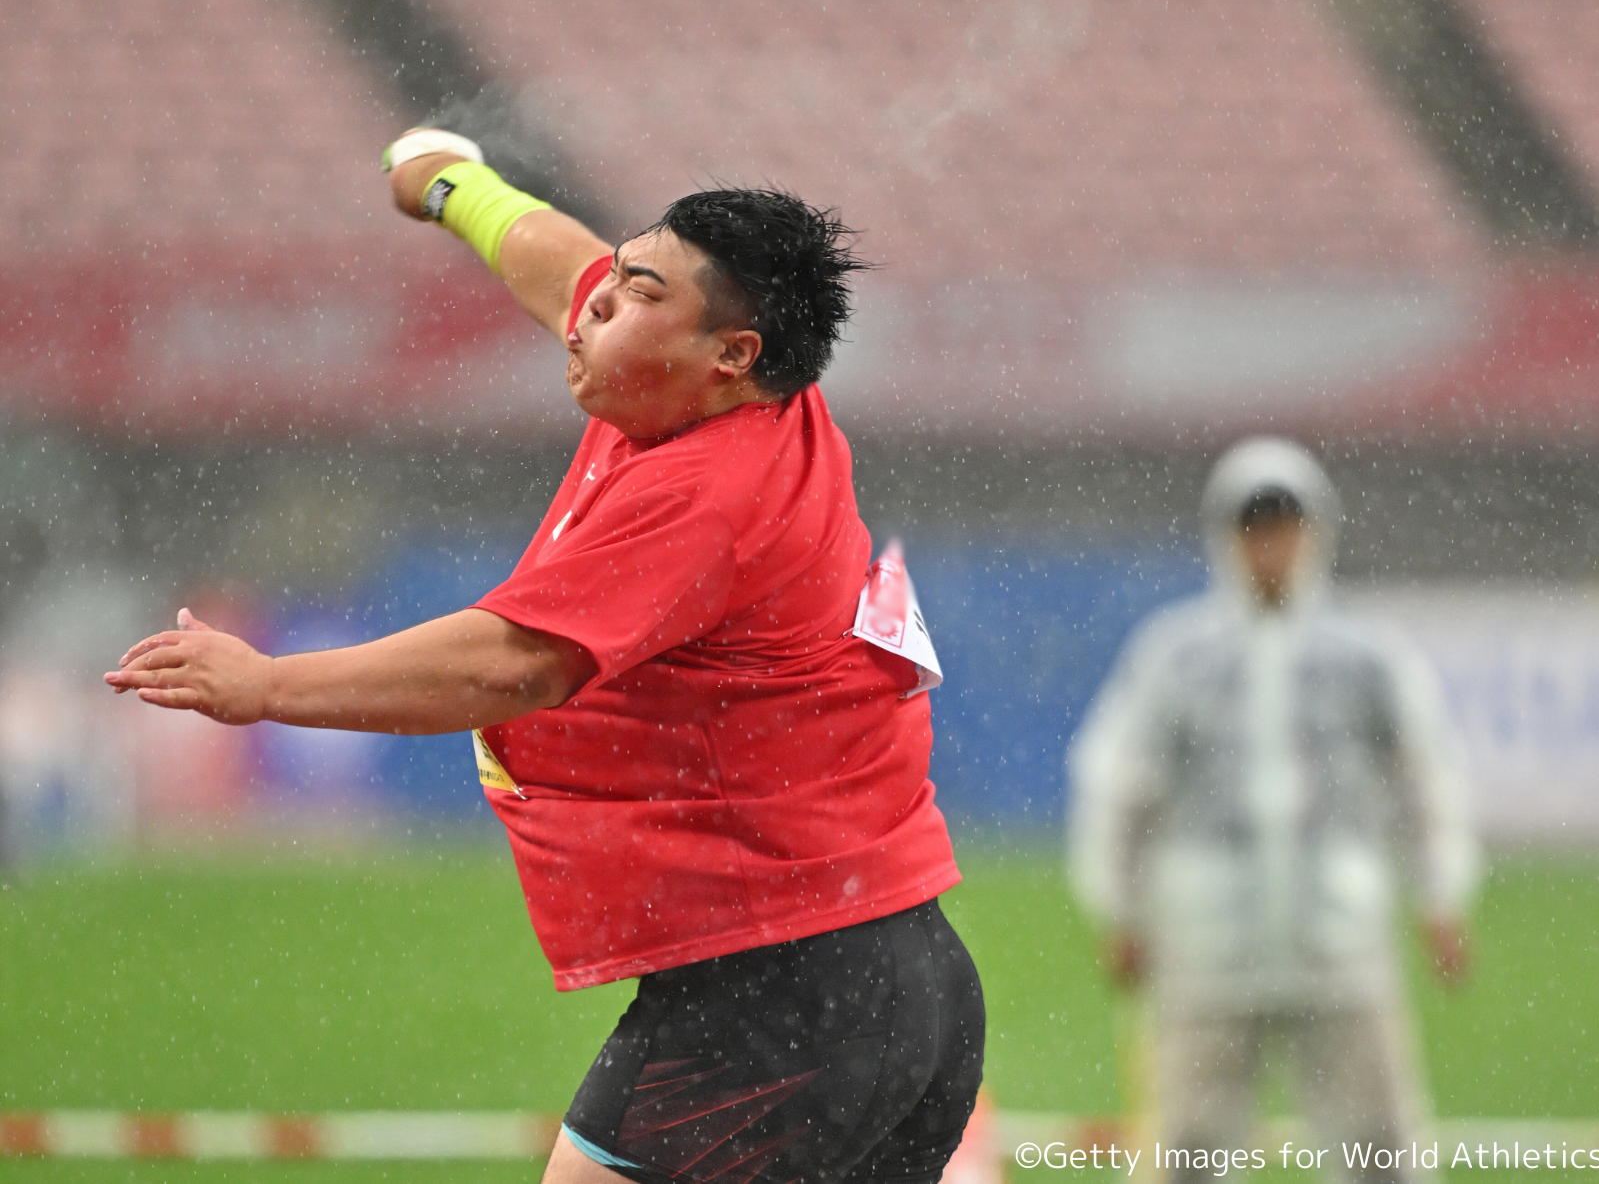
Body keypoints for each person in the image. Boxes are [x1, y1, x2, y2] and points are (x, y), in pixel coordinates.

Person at [105, 131, 983, 1184]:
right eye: (615, 281)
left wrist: (266, 686)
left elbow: (514, 666)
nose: (595, 307)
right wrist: (451, 182)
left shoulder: (708, 493)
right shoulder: (688, 379)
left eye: (634, 294)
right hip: (890, 969)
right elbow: (554, 254)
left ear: (732, 355)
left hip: (782, 999)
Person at [1068, 438, 1479, 1184]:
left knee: (1378, 1151)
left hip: (1340, 939)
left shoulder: (1367, 657)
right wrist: (1120, 908)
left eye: (1286, 525)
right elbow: (1118, 783)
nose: (1271, 545)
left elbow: (1425, 779)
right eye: (1254, 527)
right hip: (1207, 941)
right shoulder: (1175, 656)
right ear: (1225, 537)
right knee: (1191, 1151)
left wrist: (1442, 894)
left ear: (1316, 531)